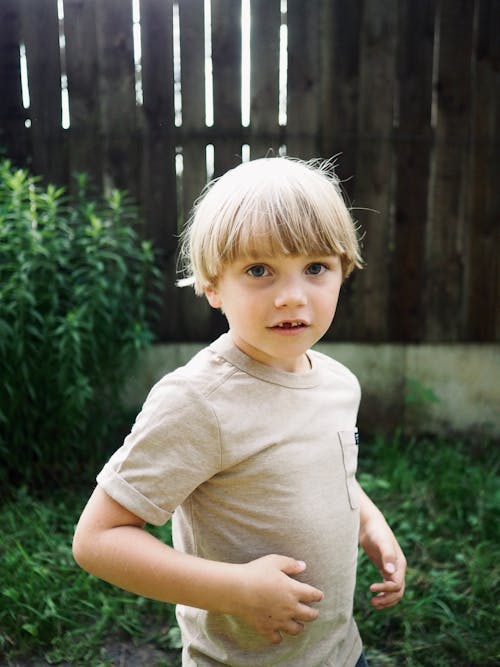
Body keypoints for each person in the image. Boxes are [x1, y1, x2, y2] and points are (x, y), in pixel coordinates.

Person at [73, 157, 406, 667]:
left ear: (345, 270)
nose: (292, 297)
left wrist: (371, 526)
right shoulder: (199, 401)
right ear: (212, 286)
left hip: (339, 652)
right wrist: (237, 589)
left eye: (315, 267)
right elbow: (98, 540)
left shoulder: (339, 382)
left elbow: (327, 470)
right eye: (258, 270)